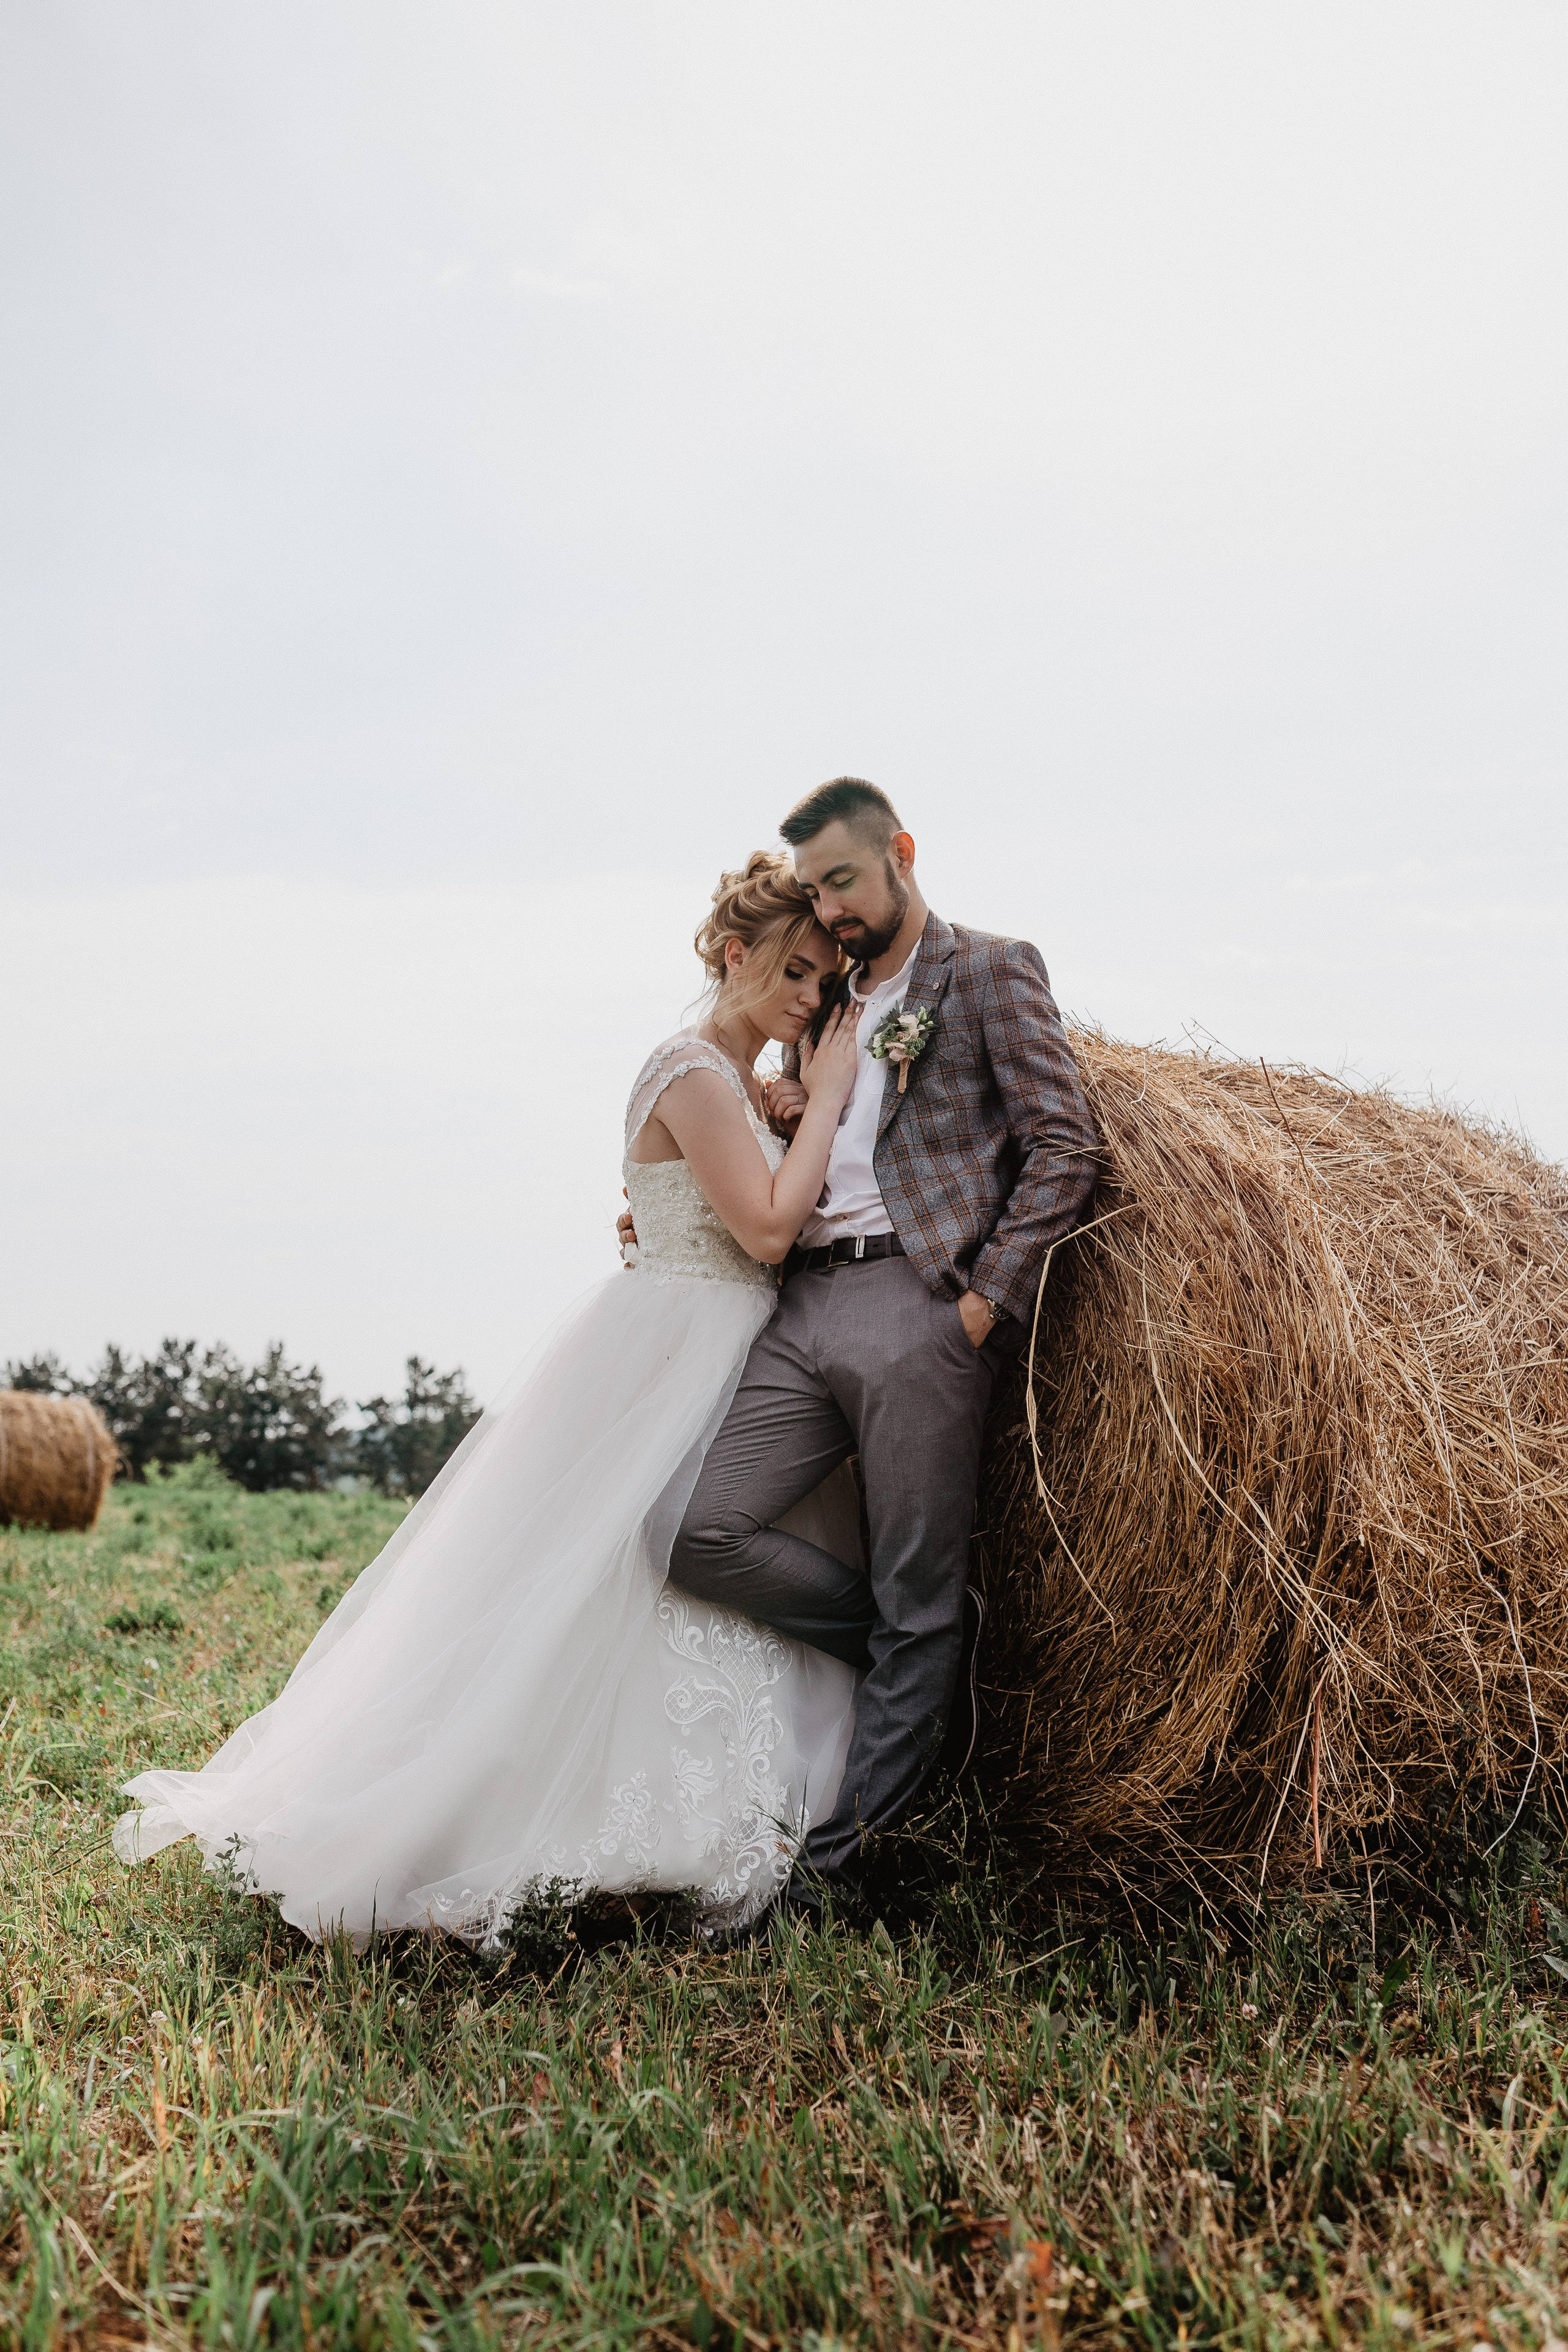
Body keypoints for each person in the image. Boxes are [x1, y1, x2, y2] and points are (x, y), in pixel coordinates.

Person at [113, 854, 870, 1947]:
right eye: (795, 971)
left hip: (730, 1342)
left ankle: (760, 1804)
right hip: (681, 1347)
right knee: (623, 1575)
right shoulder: (694, 1071)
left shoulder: (740, 1083)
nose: (811, 997)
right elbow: (761, 1230)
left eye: (825, 981)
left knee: (688, 1584)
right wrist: (828, 1103)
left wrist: (794, 1105)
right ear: (735, 954)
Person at [654, 777, 1100, 1935]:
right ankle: (934, 1665)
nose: (831, 909)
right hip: (798, 1303)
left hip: (920, 1309)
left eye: (844, 879)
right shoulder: (825, 997)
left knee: (916, 1594)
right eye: (815, 891)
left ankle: (829, 1880)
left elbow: (1066, 1145)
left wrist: (981, 1309)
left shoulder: (994, 969)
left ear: (900, 852)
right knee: (695, 1528)